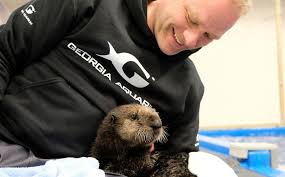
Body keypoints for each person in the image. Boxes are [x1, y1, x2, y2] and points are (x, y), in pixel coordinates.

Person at [0, 0, 249, 175]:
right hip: (8, 146)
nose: (191, 40)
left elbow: (177, 161)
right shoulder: (89, 3)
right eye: (191, 19)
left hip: (93, 172)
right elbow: (5, 51)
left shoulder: (188, 87)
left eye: (208, 36)